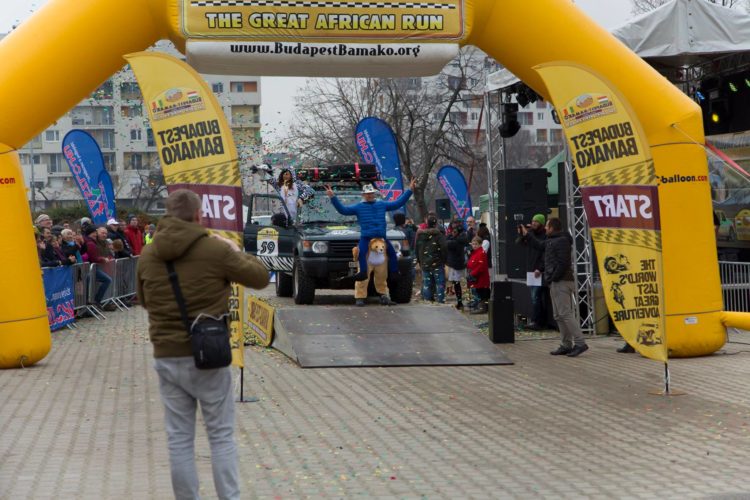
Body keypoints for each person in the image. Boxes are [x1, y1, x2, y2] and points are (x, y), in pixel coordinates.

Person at [136, 189, 269, 500]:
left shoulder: (148, 254)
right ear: (199, 216)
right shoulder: (214, 249)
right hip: (209, 354)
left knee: (179, 439)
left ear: (166, 214)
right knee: (221, 435)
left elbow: (142, 300)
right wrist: (231, 250)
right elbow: (261, 278)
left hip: (167, 356)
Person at [522, 217, 588, 357]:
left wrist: (553, 277)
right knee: (558, 315)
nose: (545, 228)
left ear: (552, 228)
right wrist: (527, 234)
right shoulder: (552, 241)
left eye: (547, 226)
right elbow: (540, 246)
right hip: (556, 281)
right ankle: (566, 344)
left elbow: (563, 263)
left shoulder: (562, 241)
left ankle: (580, 343)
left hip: (562, 281)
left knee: (565, 313)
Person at [326, 178, 415, 281]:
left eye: (371, 193)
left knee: (392, 253)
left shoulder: (382, 204)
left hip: (381, 237)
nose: (370, 195)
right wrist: (333, 197)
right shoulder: (358, 207)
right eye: (368, 194)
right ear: (363, 195)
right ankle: (363, 272)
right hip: (366, 237)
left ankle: (394, 273)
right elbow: (343, 210)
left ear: (374, 194)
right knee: (360, 253)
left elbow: (398, 203)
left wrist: (410, 190)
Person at [516, 213, 550, 330]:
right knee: (534, 297)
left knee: (536, 296)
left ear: (541, 223)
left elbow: (544, 253)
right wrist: (522, 234)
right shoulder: (531, 234)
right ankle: (538, 321)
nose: (533, 223)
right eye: (533, 221)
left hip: (538, 270)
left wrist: (540, 268)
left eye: (536, 221)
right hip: (531, 269)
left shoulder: (545, 236)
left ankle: (538, 322)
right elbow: (519, 243)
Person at [416, 215, 447, 303]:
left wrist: (419, 261)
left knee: (427, 283)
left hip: (425, 263)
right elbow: (444, 247)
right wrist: (444, 260)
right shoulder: (439, 235)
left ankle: (427, 301)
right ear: (436, 224)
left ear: (427, 223)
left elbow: (416, 249)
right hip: (437, 263)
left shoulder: (421, 235)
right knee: (439, 283)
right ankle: (440, 301)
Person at [83, 225, 114, 309]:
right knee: (106, 280)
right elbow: (93, 257)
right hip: (91, 267)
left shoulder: (94, 242)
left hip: (94, 267)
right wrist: (102, 259)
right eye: (93, 233)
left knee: (103, 281)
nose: (95, 235)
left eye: (95, 233)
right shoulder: (90, 243)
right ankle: (94, 302)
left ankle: (94, 302)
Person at [446, 219, 469, 310]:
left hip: (458, 262)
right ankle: (459, 302)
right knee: (456, 283)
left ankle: (461, 302)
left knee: (459, 283)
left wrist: (455, 236)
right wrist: (453, 235)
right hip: (454, 262)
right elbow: (446, 241)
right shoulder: (453, 237)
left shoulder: (462, 237)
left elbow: (451, 244)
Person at [466, 236, 490, 313]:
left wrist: (472, 274)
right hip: (475, 277)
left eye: (476, 244)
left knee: (482, 293)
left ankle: (482, 308)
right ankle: (479, 306)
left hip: (480, 277)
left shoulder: (481, 253)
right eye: (473, 244)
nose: (474, 246)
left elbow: (481, 266)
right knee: (478, 292)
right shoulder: (474, 252)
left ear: (480, 244)